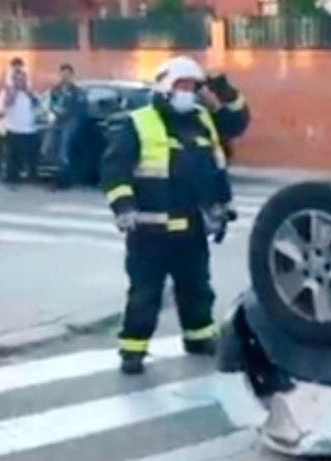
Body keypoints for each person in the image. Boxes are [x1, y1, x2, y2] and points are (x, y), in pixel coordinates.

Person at [100, 56, 250, 375]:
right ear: (165, 88)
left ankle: (199, 338)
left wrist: (222, 89)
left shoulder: (202, 119)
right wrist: (124, 207)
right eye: (182, 85)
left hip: (193, 226)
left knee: (197, 287)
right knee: (145, 292)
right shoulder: (139, 122)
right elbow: (114, 170)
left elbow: (237, 121)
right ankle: (133, 350)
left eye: (193, 87)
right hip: (151, 229)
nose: (188, 92)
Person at [0, 58, 42, 186]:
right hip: (13, 129)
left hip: (30, 130)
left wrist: (29, 93)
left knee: (32, 157)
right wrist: (13, 93)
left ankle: (33, 177)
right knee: (13, 158)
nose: (20, 81)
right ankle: (12, 179)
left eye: (22, 78)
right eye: (17, 79)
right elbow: (2, 108)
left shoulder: (30, 93)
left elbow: (39, 106)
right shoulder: (6, 93)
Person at [46, 63, 86, 189]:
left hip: (70, 123)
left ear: (72, 76)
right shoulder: (55, 90)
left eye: (67, 75)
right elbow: (51, 105)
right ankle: (55, 176)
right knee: (52, 148)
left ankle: (63, 180)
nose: (65, 78)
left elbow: (81, 108)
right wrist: (56, 112)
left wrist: (67, 114)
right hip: (57, 122)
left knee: (64, 150)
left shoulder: (77, 92)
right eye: (63, 75)